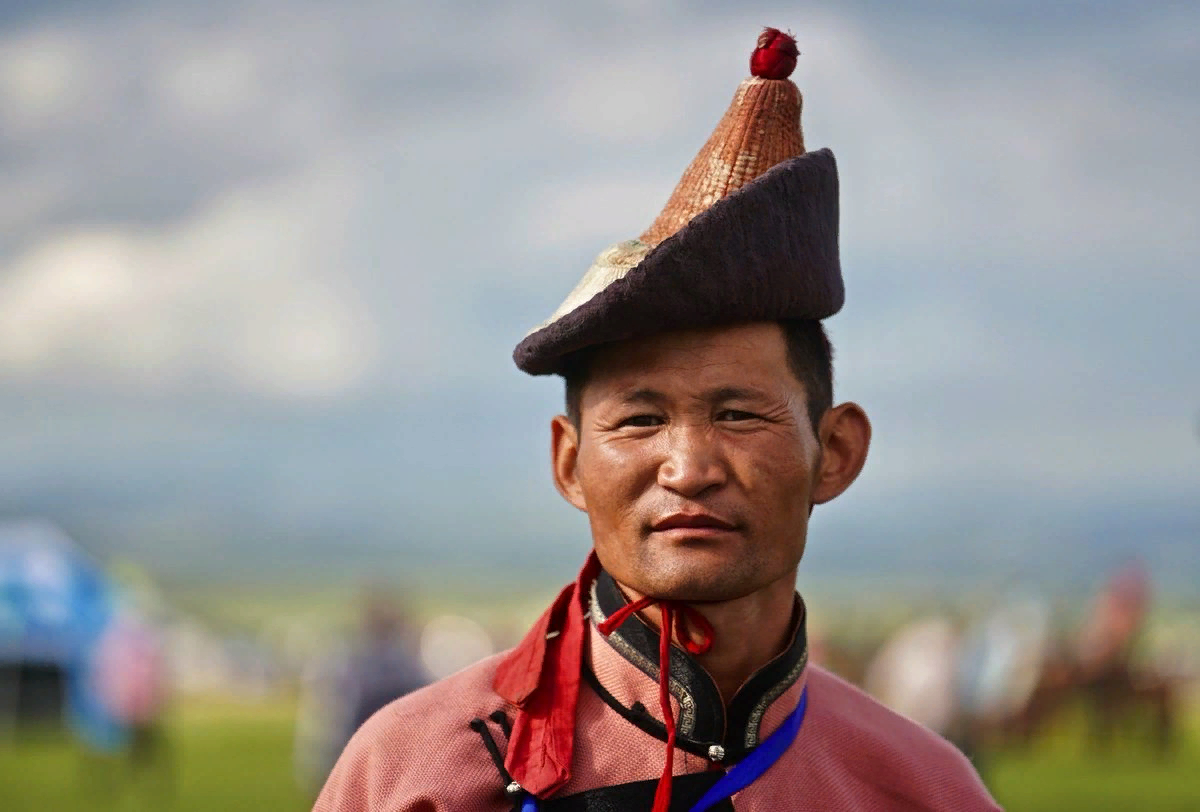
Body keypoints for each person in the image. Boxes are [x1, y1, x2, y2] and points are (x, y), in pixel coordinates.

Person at [316, 27, 1002, 811]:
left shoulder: (921, 789)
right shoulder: (417, 775)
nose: (689, 467)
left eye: (739, 413)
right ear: (569, 463)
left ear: (836, 451)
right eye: (640, 420)